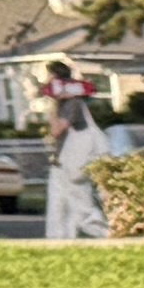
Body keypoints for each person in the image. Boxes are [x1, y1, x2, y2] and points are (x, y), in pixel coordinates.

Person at [42, 62, 108, 241]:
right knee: (60, 200)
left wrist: (53, 105)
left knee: (79, 198)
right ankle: (61, 236)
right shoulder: (68, 102)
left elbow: (57, 130)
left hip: (73, 160)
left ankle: (99, 231)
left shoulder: (73, 103)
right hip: (62, 158)